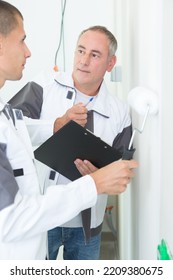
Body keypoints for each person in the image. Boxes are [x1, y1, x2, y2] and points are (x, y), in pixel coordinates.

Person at [0, 1, 138, 260]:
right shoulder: (44, 85)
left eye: (95, 55)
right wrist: (56, 124)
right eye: (80, 51)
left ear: (110, 63)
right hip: (42, 215)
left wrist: (103, 176)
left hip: (86, 224)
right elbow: (15, 124)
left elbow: (122, 166)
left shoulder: (119, 112)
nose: (83, 61)